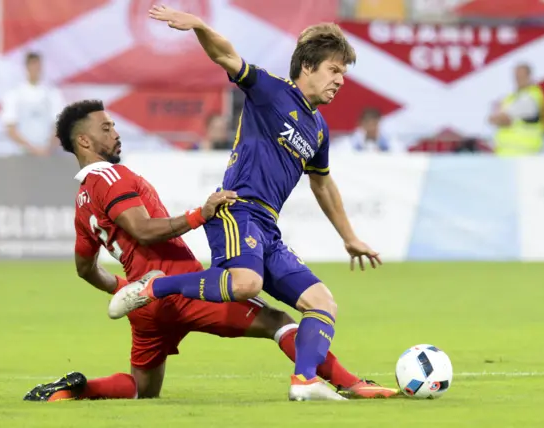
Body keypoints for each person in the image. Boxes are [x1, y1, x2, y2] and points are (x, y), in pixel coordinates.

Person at [24, 100, 398, 402]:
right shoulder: (111, 176)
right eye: (106, 128)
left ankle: (80, 387)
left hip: (143, 307)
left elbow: (84, 269)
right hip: (180, 287)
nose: (116, 133)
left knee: (143, 388)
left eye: (114, 125)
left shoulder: (82, 201)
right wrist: (198, 215)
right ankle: (350, 383)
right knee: (277, 321)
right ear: (84, 142)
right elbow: (141, 229)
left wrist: (123, 288)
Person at [110, 6, 385, 401]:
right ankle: (157, 286)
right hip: (236, 209)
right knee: (246, 284)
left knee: (322, 302)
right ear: (307, 66)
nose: (340, 80)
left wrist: (350, 237)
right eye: (334, 70)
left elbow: (322, 184)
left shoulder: (319, 129)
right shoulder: (271, 90)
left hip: (267, 226)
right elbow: (225, 54)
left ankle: (304, 381)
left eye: (343, 72)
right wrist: (201, 26)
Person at [1, 52, 65, 156]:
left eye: (37, 65)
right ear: (26, 67)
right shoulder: (14, 94)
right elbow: (10, 127)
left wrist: (48, 148)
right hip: (22, 154)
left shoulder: (52, 93)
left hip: (48, 154)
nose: (35, 69)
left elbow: (59, 125)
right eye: (32, 65)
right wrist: (31, 149)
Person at [489, 63, 544, 156]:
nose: (518, 79)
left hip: (523, 155)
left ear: (529, 76)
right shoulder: (513, 97)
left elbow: (502, 119)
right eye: (516, 76)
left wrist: (497, 117)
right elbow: (493, 118)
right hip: (507, 155)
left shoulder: (530, 97)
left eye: (521, 76)